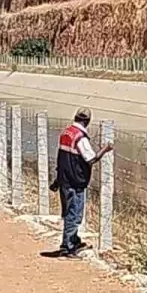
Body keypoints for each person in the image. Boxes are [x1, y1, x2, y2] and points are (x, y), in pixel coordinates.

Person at [49, 107, 113, 257]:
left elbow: (61, 158)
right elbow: (91, 159)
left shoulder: (66, 132)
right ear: (87, 121)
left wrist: (57, 180)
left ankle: (74, 240)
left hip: (65, 178)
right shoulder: (80, 137)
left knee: (70, 211)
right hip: (75, 181)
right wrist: (106, 149)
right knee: (74, 214)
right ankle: (68, 247)